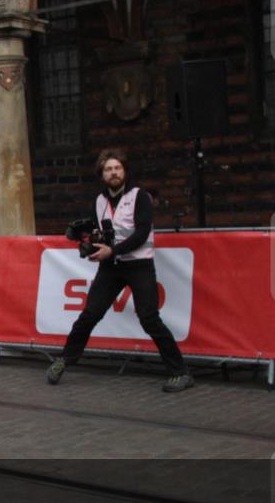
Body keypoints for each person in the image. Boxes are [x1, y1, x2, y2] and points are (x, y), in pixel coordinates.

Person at [46, 148, 194, 393]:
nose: (114, 173)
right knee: (89, 315)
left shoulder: (139, 197)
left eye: (117, 168)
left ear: (124, 171)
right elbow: (102, 235)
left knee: (149, 319)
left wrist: (111, 251)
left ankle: (181, 372)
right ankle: (64, 360)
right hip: (111, 267)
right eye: (108, 169)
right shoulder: (99, 201)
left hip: (139, 265)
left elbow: (141, 233)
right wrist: (86, 243)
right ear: (102, 174)